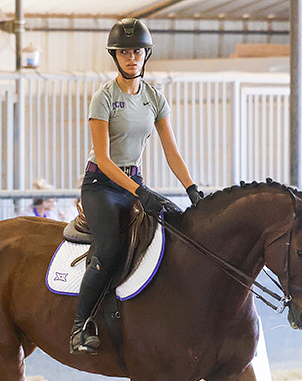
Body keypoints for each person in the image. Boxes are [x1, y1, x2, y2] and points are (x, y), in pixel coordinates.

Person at [71, 18, 204, 354]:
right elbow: (102, 158)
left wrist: (191, 188)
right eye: (125, 52)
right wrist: (139, 191)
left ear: (147, 54)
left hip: (133, 182)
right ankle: (80, 325)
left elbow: (171, 151)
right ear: (115, 56)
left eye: (137, 51)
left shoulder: (155, 98)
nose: (132, 57)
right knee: (109, 250)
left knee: (166, 236)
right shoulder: (103, 97)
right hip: (102, 185)